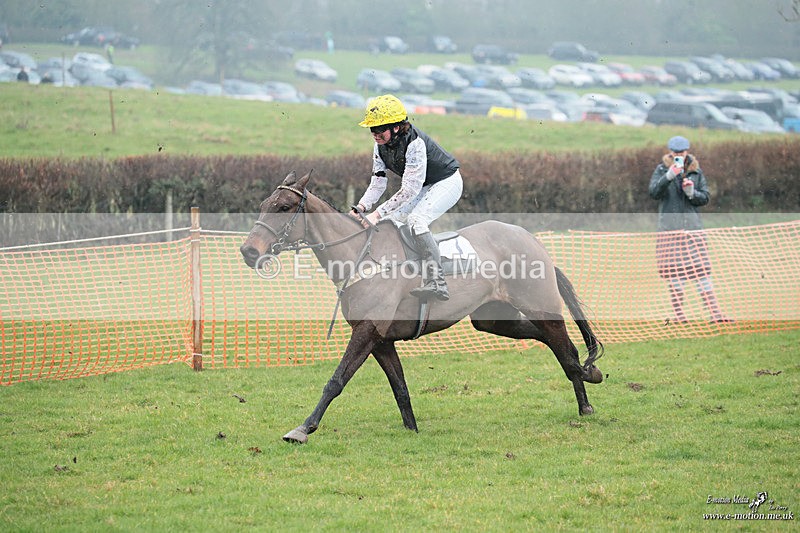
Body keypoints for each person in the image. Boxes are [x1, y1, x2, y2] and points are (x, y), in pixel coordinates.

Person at [351, 94, 463, 301]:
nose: (374, 134)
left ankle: (437, 282)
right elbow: (378, 182)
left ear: (396, 127)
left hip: (447, 182)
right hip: (424, 185)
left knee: (416, 220)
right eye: (371, 129)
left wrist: (376, 213)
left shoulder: (415, 144)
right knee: (389, 221)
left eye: (379, 129)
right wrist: (362, 206)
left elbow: (410, 190)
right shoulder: (380, 147)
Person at [649, 135, 731, 323]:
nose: (679, 155)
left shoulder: (696, 171)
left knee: (702, 271)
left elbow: (705, 198)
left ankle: (715, 314)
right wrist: (669, 176)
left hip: (693, 231)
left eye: (682, 152)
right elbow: (654, 192)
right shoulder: (661, 170)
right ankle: (679, 316)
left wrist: (692, 193)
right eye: (675, 152)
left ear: (687, 152)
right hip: (670, 231)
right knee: (675, 274)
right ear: (670, 152)